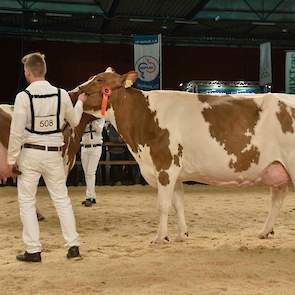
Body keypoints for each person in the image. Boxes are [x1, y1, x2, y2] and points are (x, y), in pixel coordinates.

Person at [7, 52, 87, 262]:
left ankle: (33, 250)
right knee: (62, 200)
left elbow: (16, 132)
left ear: (27, 72)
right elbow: (75, 121)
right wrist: (79, 102)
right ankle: (73, 246)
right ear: (44, 70)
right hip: (53, 154)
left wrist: (11, 160)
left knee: (27, 201)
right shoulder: (61, 95)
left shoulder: (23, 97)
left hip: (30, 154)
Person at [81, 118, 105, 207]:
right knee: (87, 173)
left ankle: (89, 198)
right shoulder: (83, 119)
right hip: (84, 147)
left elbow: (99, 130)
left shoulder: (100, 119)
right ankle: (92, 196)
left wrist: (92, 121)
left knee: (91, 172)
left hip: (96, 148)